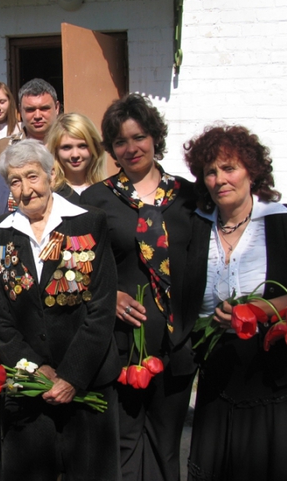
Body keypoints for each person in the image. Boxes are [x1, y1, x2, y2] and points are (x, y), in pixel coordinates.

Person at [182, 125, 287, 481]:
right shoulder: (197, 227)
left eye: (229, 168)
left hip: (279, 377)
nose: (220, 179)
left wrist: (262, 309)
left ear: (252, 171)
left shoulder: (283, 222)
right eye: (210, 171)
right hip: (222, 378)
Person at [0, 139, 121, 481]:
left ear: (50, 175)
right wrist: (34, 369)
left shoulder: (89, 222)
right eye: (15, 181)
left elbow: (102, 307)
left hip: (87, 381)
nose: (26, 189)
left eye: (32, 176)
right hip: (30, 388)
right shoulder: (0, 234)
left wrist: (72, 376)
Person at [80, 93, 199, 481]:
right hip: (123, 342)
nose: (131, 148)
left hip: (177, 339)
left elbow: (206, 262)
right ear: (111, 148)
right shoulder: (95, 200)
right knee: (125, 442)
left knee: (167, 443)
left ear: (154, 137)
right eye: (120, 141)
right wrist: (108, 295)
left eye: (139, 137)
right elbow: (81, 268)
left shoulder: (188, 196)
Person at [46, 112, 106, 204]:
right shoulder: (49, 194)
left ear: (95, 147)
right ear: (56, 151)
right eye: (67, 147)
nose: (75, 155)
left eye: (82, 146)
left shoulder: (108, 191)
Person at [18, 78, 60, 142]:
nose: (37, 116)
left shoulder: (74, 144)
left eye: (44, 109)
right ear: (20, 110)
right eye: (30, 109)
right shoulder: (4, 147)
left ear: (56, 108)